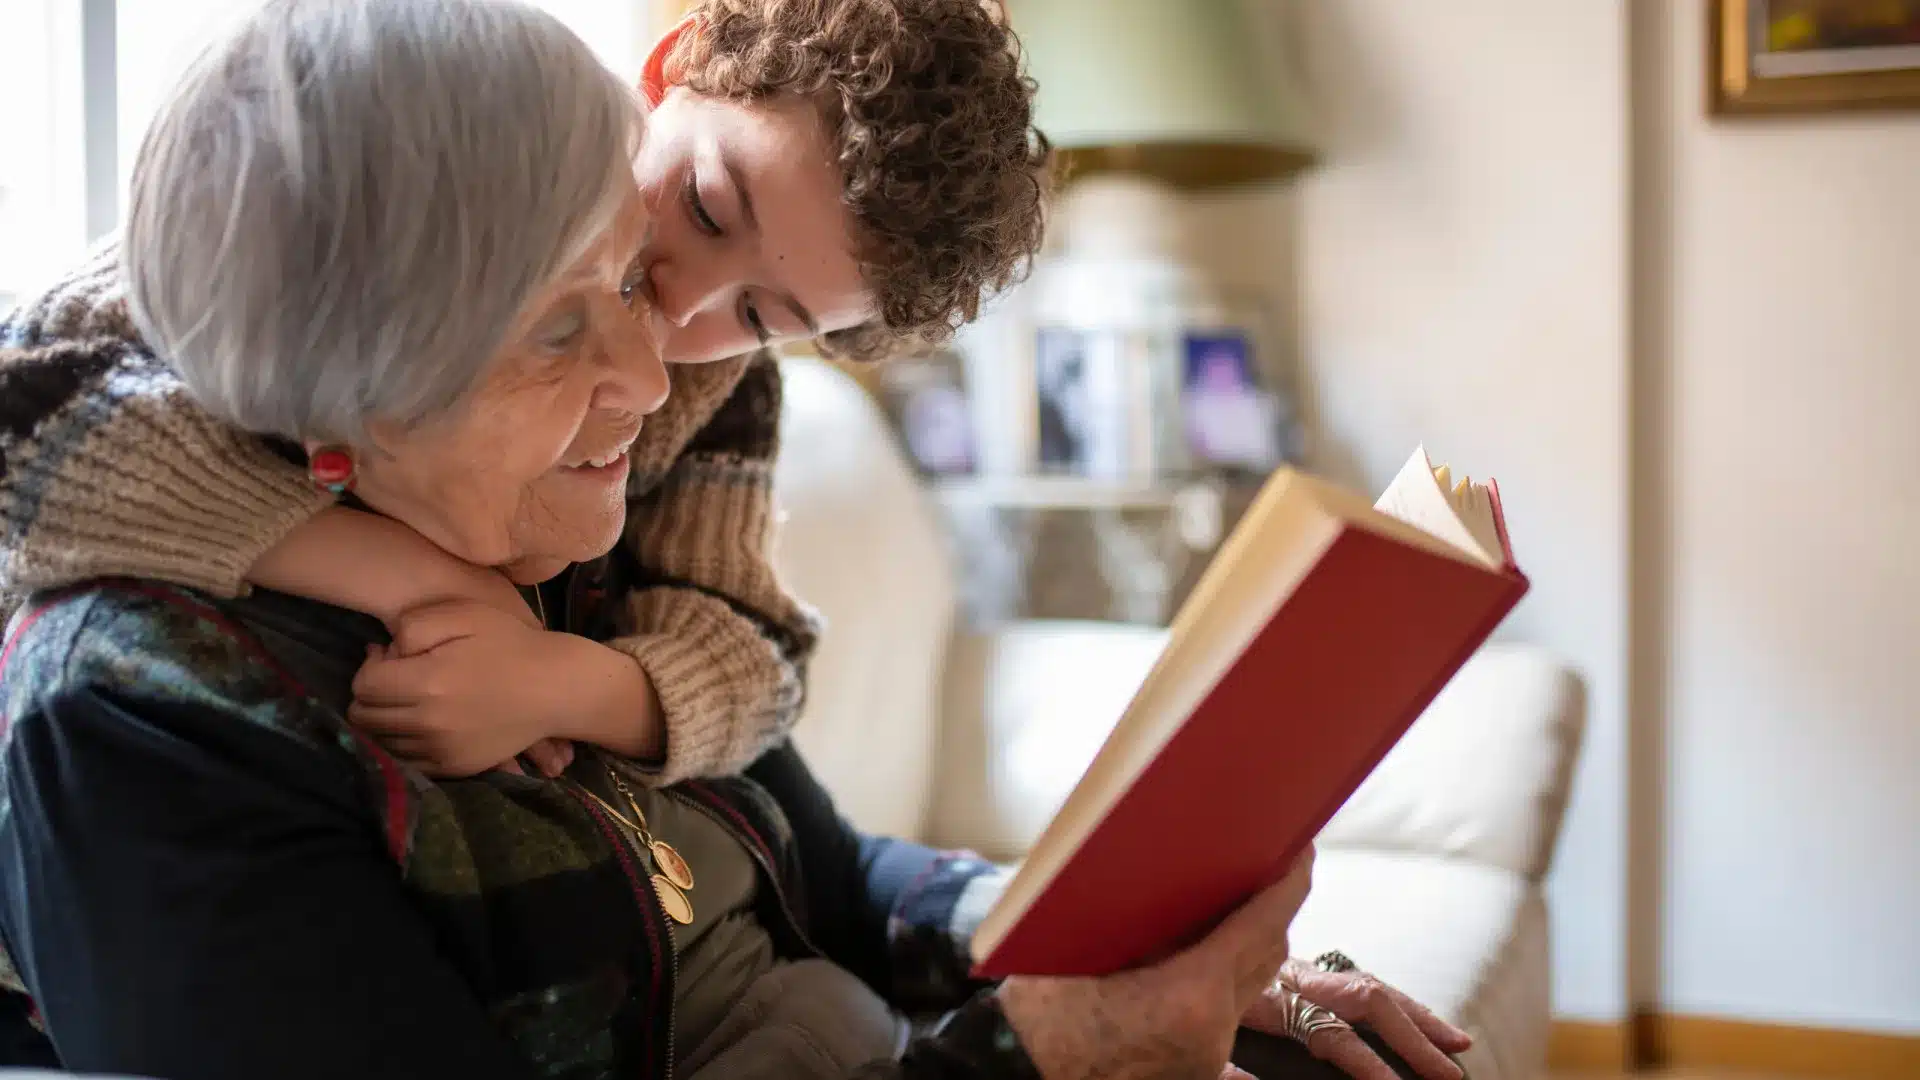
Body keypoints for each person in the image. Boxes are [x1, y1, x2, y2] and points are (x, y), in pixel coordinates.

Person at [0, 2, 1473, 1078]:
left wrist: (1136, 955)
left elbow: (807, 846)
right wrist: (1047, 1054)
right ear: (355, 364)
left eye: (759, 317)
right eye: (568, 313)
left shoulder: (570, 513)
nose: (666, 363)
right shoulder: (151, 714)